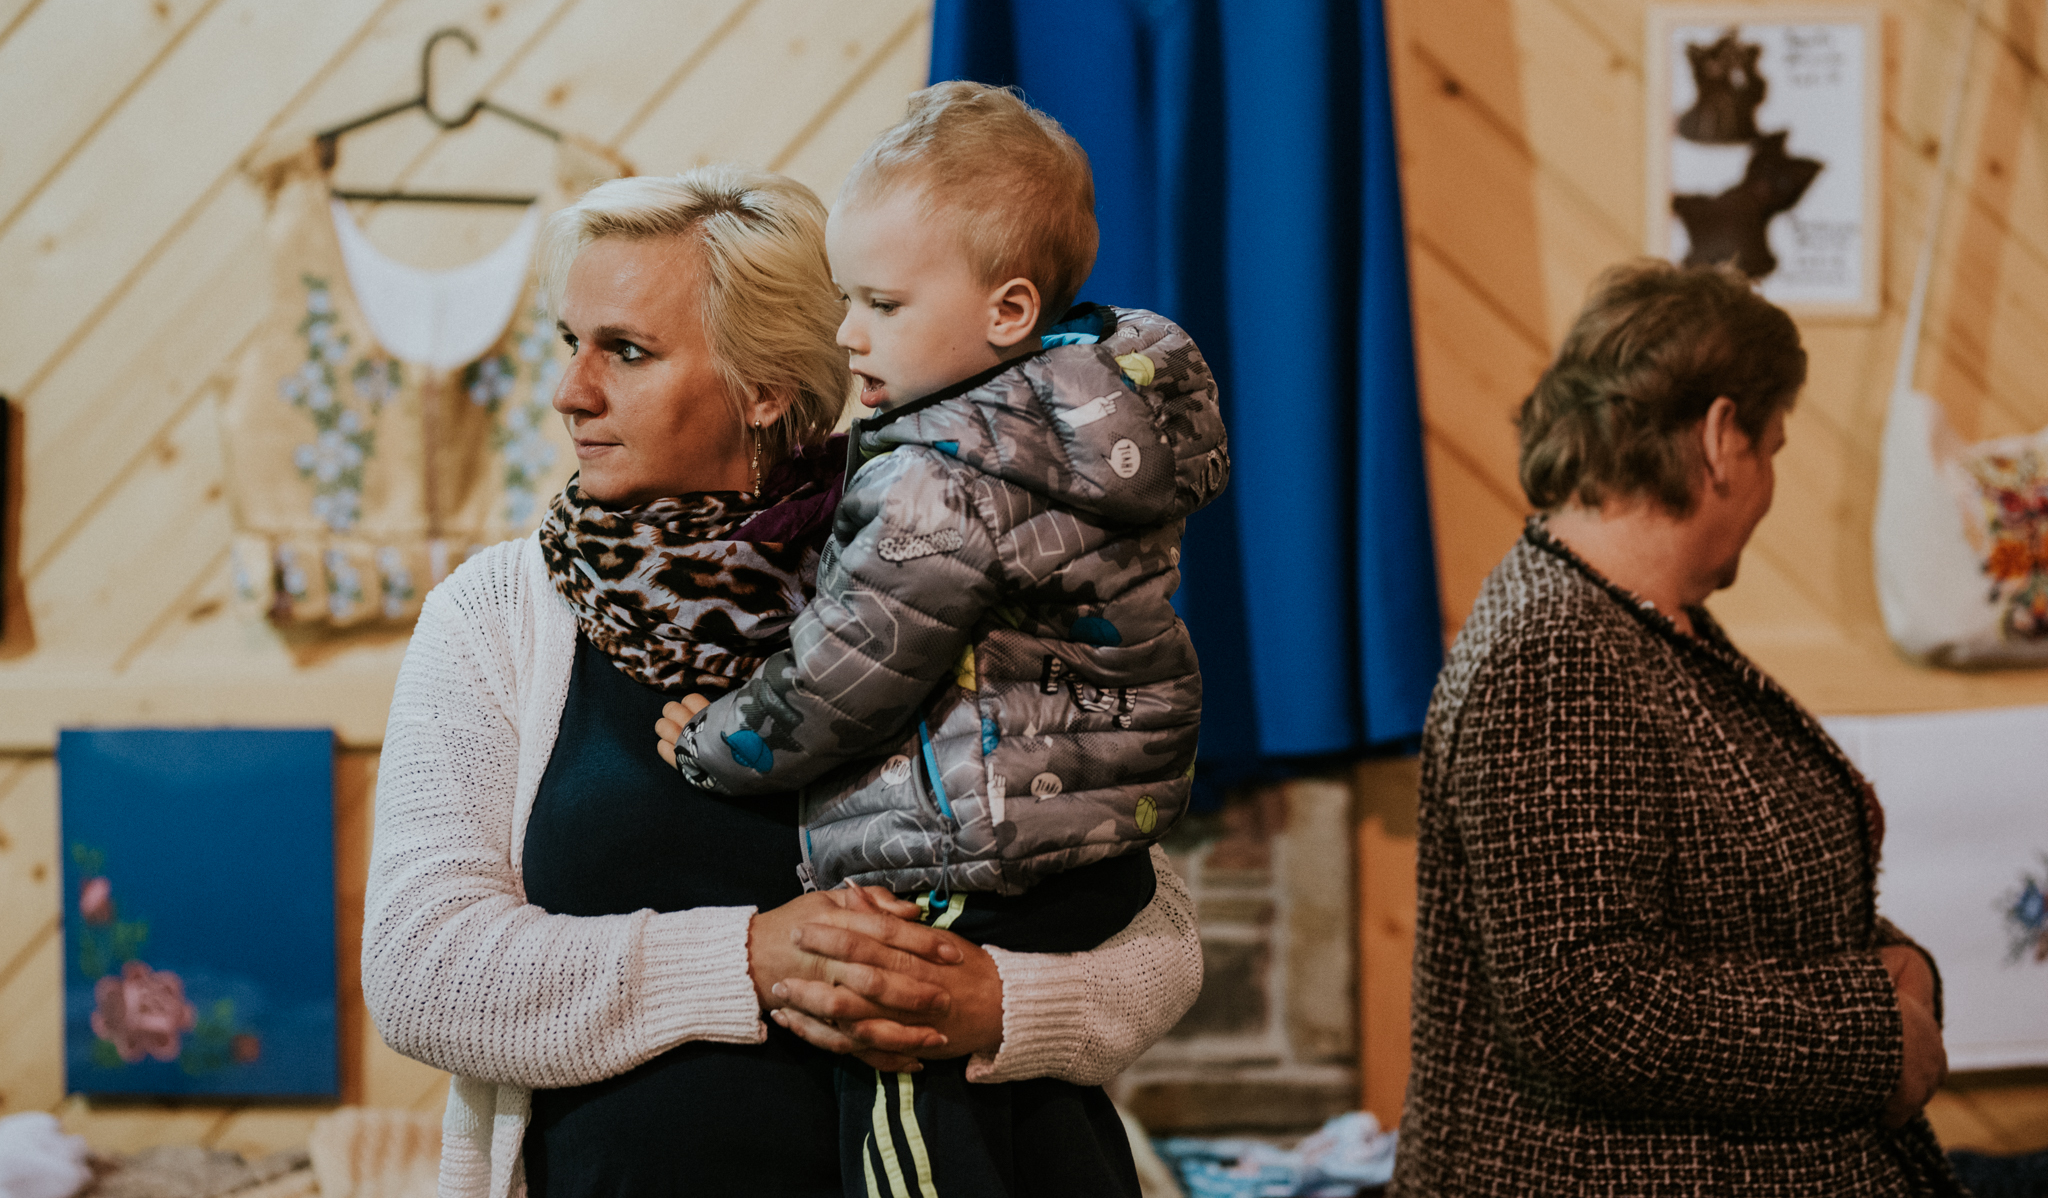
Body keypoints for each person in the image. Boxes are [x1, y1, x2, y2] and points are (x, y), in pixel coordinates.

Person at [361, 165, 1205, 1198]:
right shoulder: (497, 617)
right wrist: (749, 959)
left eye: (626, 350)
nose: (570, 390)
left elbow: (1158, 934)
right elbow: (422, 970)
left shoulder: (950, 558)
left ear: (762, 388)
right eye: (568, 342)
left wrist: (998, 1002)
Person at [650, 82, 1228, 1193]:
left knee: (899, 1074)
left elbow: (841, 675)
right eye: (844, 299)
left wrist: (712, 742)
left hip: (965, 845)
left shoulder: (937, 475)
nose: (847, 333)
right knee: (1028, 1135)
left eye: (881, 302)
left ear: (1007, 311)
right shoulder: (1101, 419)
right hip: (1093, 841)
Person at [1391, 261, 1965, 1196]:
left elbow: (1726, 907)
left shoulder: (1645, 624)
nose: (1769, 483)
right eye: (1772, 448)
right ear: (1720, 437)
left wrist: (1894, 963)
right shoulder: (1554, 653)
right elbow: (1585, 1001)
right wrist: (1870, 1032)